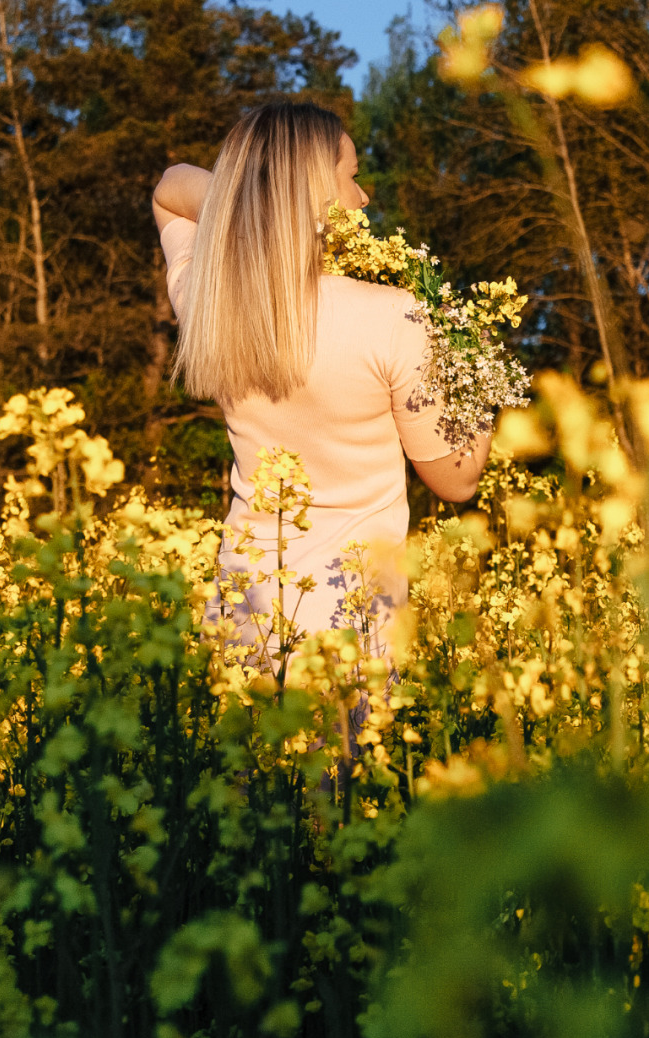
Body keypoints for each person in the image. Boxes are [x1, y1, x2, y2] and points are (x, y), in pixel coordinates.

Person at [152, 102, 489, 670]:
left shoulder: (213, 305)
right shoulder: (395, 318)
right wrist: (472, 371)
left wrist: (253, 211)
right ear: (314, 190)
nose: (363, 198)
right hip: (351, 638)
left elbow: (169, 190)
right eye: (352, 177)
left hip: (244, 621)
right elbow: (456, 480)